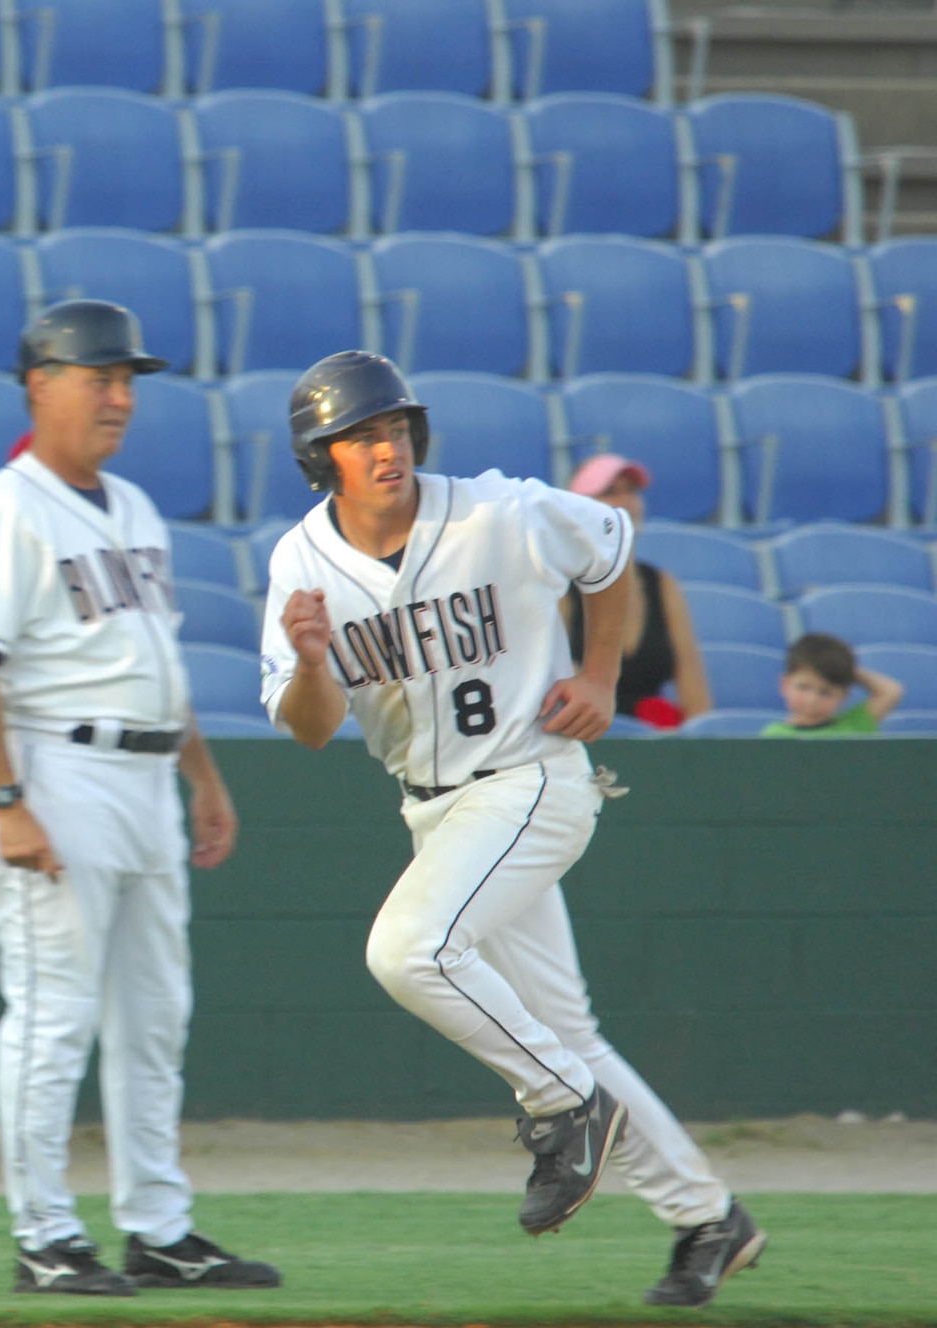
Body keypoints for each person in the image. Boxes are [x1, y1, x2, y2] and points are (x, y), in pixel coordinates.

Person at [259, 351, 766, 1307]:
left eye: (396, 426)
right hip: (435, 808)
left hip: (531, 780)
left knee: (408, 950)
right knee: (568, 1030)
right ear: (320, 456)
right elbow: (312, 726)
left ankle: (561, 1105)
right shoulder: (299, 562)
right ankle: (709, 1219)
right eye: (360, 435)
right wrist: (313, 660)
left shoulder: (497, 510)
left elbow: (611, 547)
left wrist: (603, 671)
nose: (385, 447)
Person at [0, 300, 280, 1297]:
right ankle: (43, 1232)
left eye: (127, 379)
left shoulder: (130, 504)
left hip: (144, 777)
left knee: (153, 1015)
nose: (120, 396)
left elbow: (156, 663)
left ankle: (157, 1226)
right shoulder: (6, 508)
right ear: (39, 383)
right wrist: (4, 798)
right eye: (100, 376)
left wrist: (202, 775)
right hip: (58, 768)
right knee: (53, 1012)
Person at [560, 454, 711, 729]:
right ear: (576, 508)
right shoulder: (558, 584)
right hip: (578, 736)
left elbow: (695, 694)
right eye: (609, 492)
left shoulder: (663, 584)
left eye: (632, 491)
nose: (627, 501)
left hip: (653, 745)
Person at [761, 633, 903, 736]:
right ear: (784, 685)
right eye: (803, 687)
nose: (812, 700)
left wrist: (846, 670)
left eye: (825, 692)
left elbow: (891, 691)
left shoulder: (855, 725)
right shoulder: (774, 735)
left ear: (844, 696)